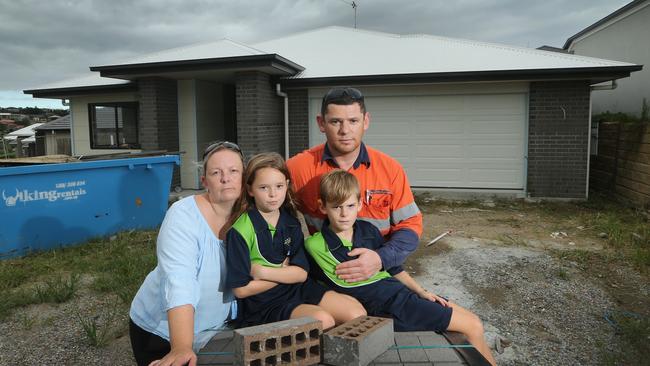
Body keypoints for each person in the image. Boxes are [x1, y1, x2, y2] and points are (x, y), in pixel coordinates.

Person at [305, 170, 496, 365]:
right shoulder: (315, 246)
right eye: (337, 207)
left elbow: (394, 268)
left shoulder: (368, 231)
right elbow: (307, 281)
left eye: (350, 206)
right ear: (322, 206)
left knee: (474, 323)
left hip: (403, 294)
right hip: (390, 308)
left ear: (360, 204)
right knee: (472, 326)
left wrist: (422, 291)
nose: (344, 214)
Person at [287, 86, 422, 284]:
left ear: (365, 121)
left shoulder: (390, 169)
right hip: (329, 275)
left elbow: (410, 224)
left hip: (380, 273)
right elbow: (268, 211)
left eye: (353, 121)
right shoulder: (297, 169)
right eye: (335, 122)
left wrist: (380, 259)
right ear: (321, 123)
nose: (345, 131)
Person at [129, 141, 244, 366]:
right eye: (216, 172)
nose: (225, 178)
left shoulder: (249, 215)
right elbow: (179, 281)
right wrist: (181, 346)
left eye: (233, 171)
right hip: (163, 334)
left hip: (216, 328)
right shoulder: (183, 216)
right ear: (204, 181)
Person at [226, 152, 366, 329]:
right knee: (322, 321)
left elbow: (301, 274)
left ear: (286, 185)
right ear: (250, 189)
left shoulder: (291, 222)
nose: (272, 194)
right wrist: (285, 273)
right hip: (264, 302)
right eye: (263, 188)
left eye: (278, 186)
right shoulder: (240, 231)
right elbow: (241, 289)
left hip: (299, 288)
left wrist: (261, 272)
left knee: (356, 314)